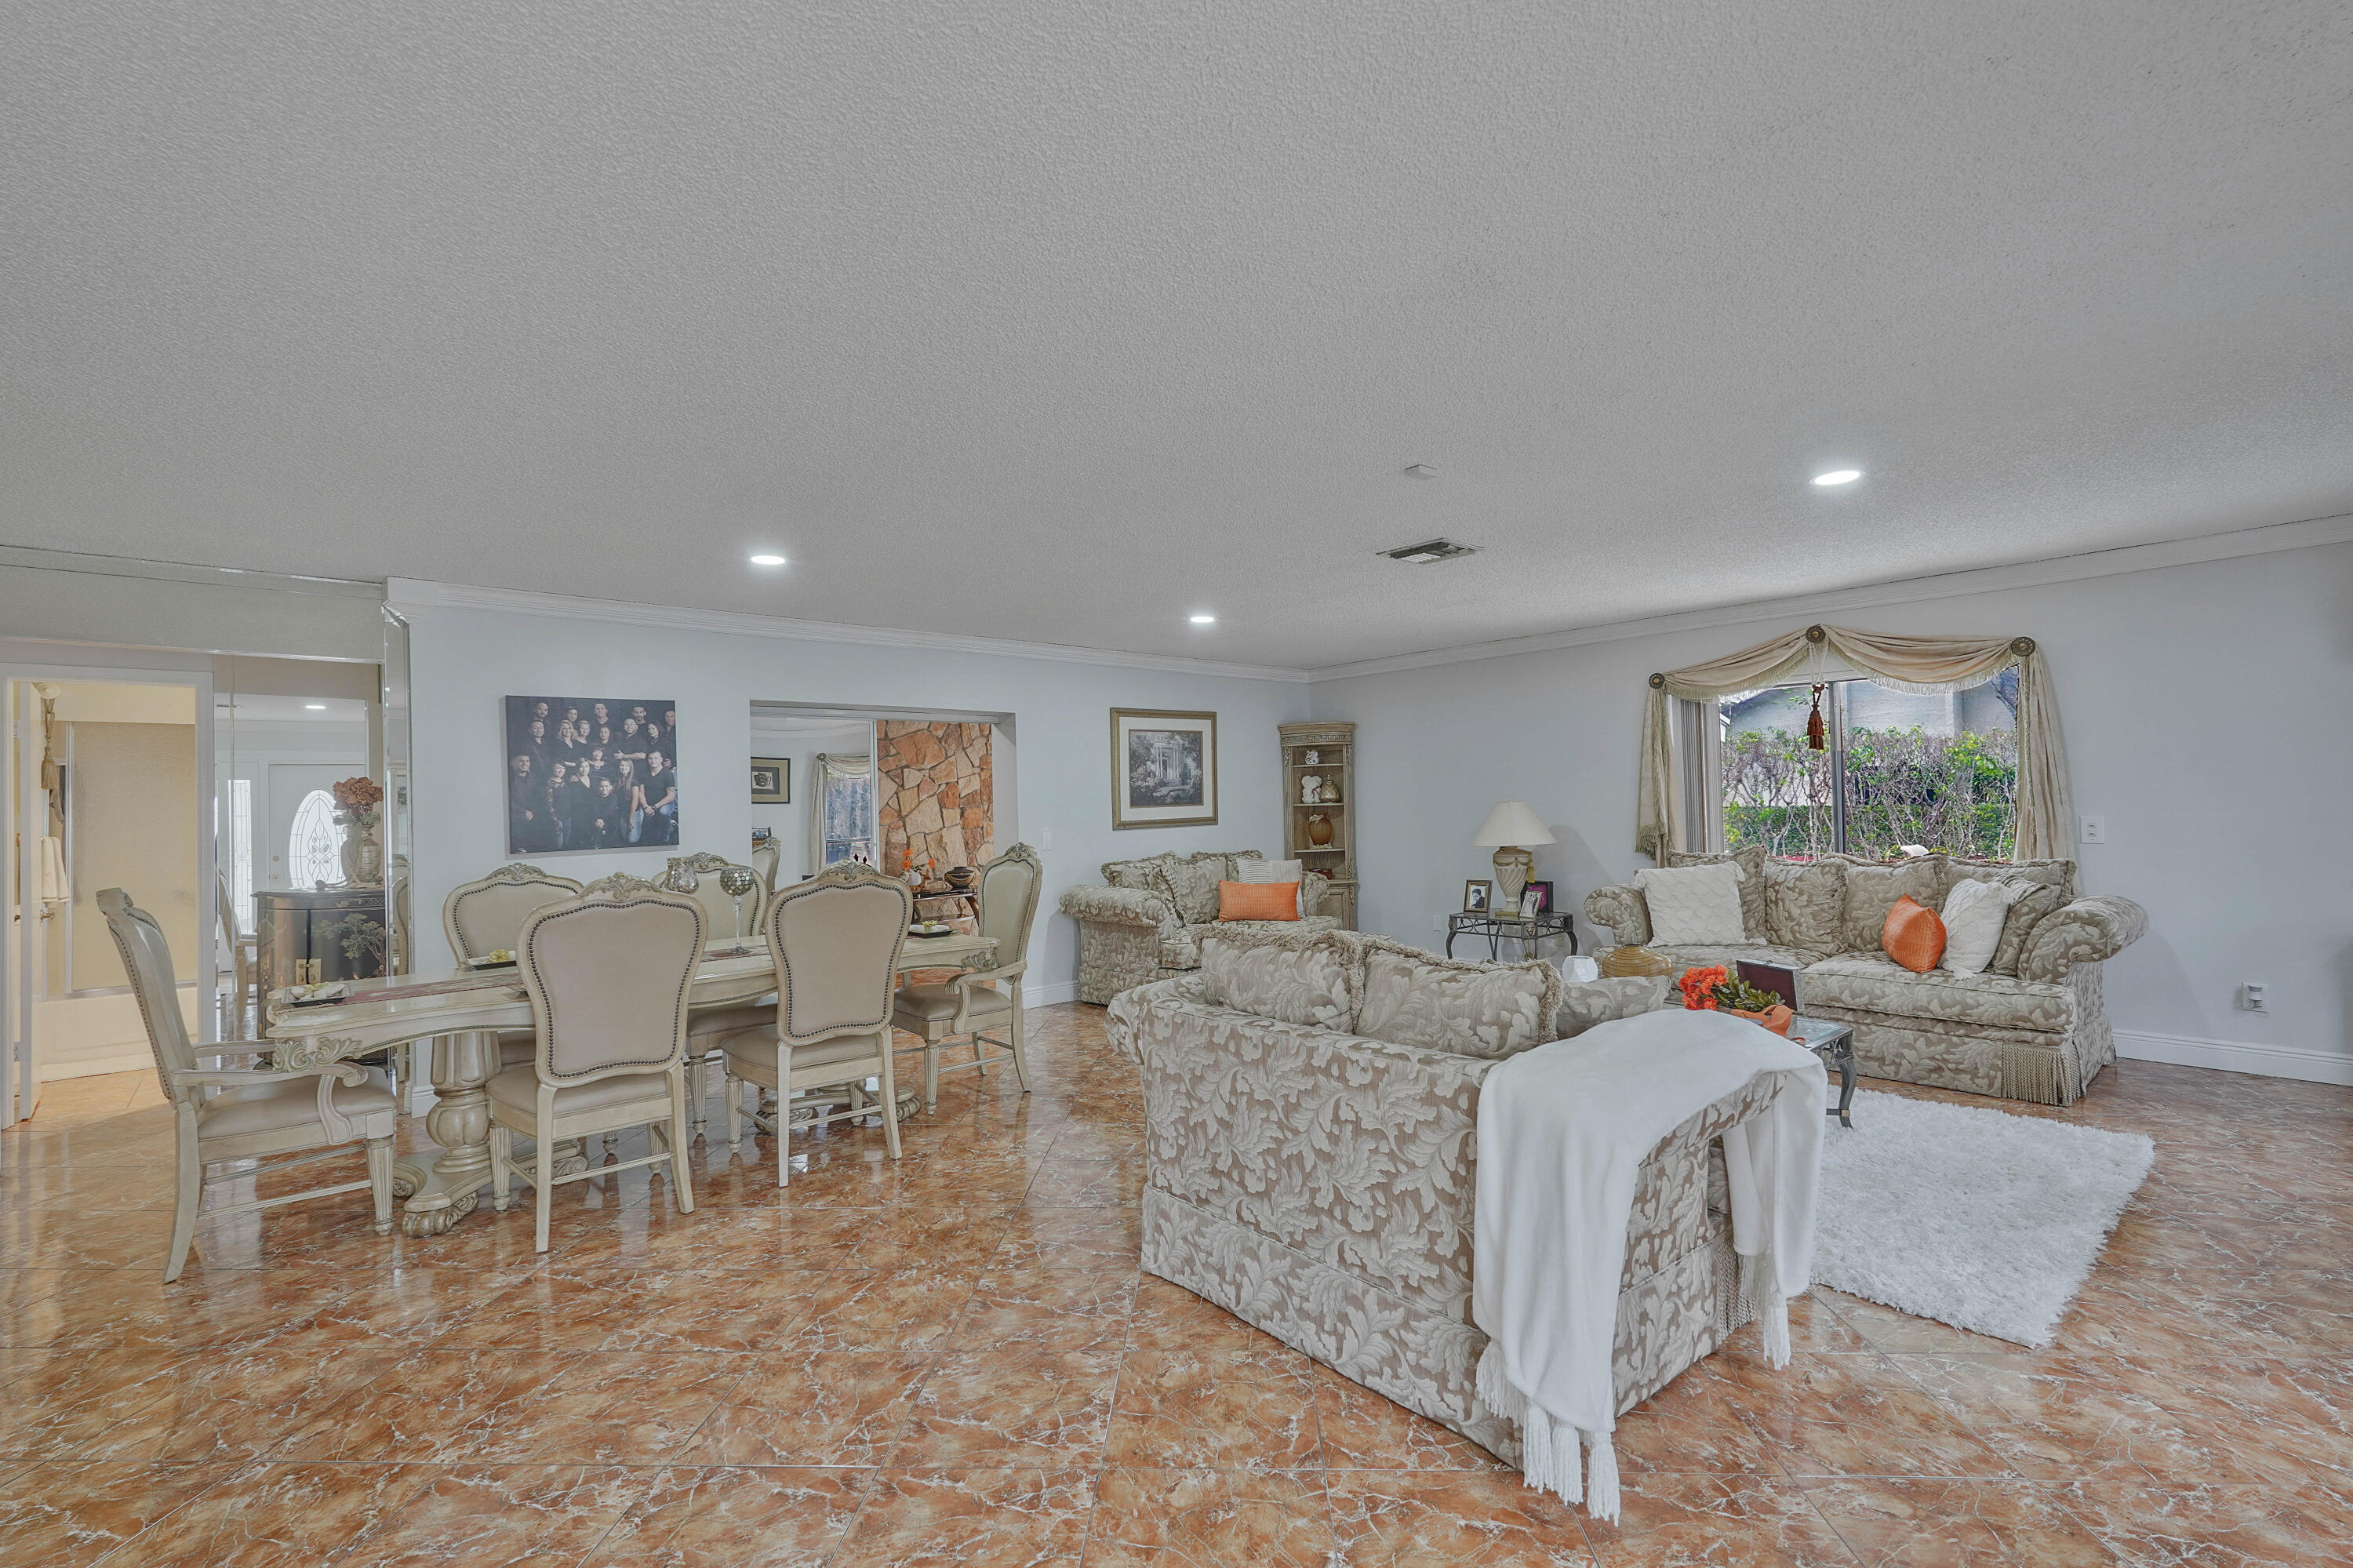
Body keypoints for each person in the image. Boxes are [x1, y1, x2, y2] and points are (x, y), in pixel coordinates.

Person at [637, 750, 678, 846]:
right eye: (650, 758)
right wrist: (646, 807)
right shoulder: (643, 773)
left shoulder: (668, 774)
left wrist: (655, 807)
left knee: (663, 812)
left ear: (661, 759)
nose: (653, 761)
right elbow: (641, 792)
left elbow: (671, 796)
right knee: (648, 836)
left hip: (665, 803)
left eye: (656, 758)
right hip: (648, 804)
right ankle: (668, 825)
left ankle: (666, 835)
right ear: (647, 760)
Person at [507, 755, 547, 853]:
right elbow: (507, 800)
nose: (525, 764)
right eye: (521, 761)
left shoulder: (535, 779)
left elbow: (539, 799)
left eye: (527, 761)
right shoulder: (509, 779)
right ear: (513, 763)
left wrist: (533, 812)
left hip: (534, 817)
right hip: (516, 819)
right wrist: (523, 812)